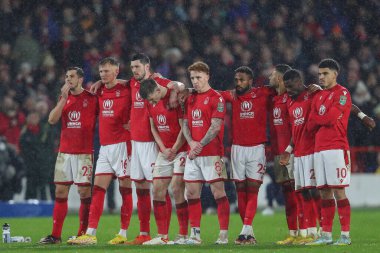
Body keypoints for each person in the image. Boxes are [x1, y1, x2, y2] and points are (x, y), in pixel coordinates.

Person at [69, 58, 133, 245]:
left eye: (107, 71)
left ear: (117, 71)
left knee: (125, 189)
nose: (103, 74)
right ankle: (90, 233)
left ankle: (123, 233)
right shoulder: (98, 91)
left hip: (123, 145)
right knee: (97, 189)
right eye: (101, 71)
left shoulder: (127, 89)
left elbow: (139, 86)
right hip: (105, 147)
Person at [126, 53, 181, 245]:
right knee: (140, 186)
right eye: (132, 67)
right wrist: (100, 83)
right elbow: (113, 81)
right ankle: (144, 233)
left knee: (159, 188)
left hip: (152, 143)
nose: (134, 71)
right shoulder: (132, 84)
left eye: (137, 67)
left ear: (146, 66)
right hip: (136, 141)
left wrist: (173, 92)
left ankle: (163, 234)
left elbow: (179, 85)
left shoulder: (158, 81)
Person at [39, 67, 98, 244]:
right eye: (66, 77)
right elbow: (51, 119)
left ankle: (82, 234)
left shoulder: (92, 98)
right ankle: (55, 235)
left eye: (72, 77)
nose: (68, 80)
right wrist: (63, 99)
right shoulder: (64, 98)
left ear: (80, 79)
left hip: (84, 153)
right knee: (60, 190)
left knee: (83, 191)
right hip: (64, 152)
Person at [218, 66, 274, 245]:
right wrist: (182, 88)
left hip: (257, 148)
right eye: (236, 80)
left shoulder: (263, 93)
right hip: (237, 149)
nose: (238, 83)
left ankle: (246, 230)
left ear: (250, 81)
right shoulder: (232, 96)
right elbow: (211, 94)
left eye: (242, 80)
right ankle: (247, 232)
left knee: (253, 189)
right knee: (240, 190)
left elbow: (284, 86)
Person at [306, 59, 353, 245]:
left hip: (336, 148)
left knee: (339, 192)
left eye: (325, 73)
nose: (321, 77)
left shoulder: (342, 93)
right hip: (319, 150)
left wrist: (319, 118)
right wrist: (320, 118)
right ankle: (326, 235)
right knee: (324, 193)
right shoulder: (317, 96)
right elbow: (310, 125)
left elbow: (331, 119)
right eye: (319, 74)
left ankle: (345, 236)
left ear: (335, 74)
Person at [182, 61, 230, 245]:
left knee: (218, 193)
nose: (195, 81)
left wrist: (199, 145)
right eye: (192, 78)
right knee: (192, 193)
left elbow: (216, 126)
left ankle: (223, 235)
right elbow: (185, 123)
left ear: (207, 76)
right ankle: (195, 235)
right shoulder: (190, 98)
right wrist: (191, 143)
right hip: (193, 154)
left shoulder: (216, 98)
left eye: (198, 77)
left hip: (211, 154)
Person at [138, 78, 189, 245]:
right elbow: (153, 126)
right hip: (164, 151)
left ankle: (182, 234)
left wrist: (174, 148)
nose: (152, 103)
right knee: (157, 189)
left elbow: (184, 127)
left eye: (153, 99)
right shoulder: (150, 102)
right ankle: (162, 236)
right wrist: (162, 148)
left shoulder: (176, 100)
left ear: (158, 90)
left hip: (180, 150)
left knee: (176, 187)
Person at [279, 69, 322, 244]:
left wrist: (319, 88)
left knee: (316, 191)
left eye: (290, 86)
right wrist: (289, 150)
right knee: (302, 191)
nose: (288, 90)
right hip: (299, 153)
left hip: (313, 151)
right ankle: (310, 233)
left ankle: (324, 229)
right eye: (286, 87)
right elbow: (295, 131)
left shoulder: (312, 94)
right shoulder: (290, 102)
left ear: (299, 82)